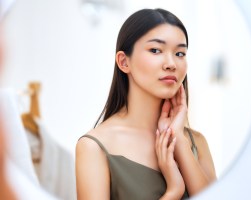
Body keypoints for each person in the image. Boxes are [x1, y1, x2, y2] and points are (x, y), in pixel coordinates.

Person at [76, 8, 216, 200]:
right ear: (124, 62)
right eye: (156, 50)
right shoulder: (94, 147)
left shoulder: (196, 143)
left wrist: (180, 144)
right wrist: (173, 191)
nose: (171, 63)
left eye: (180, 53)